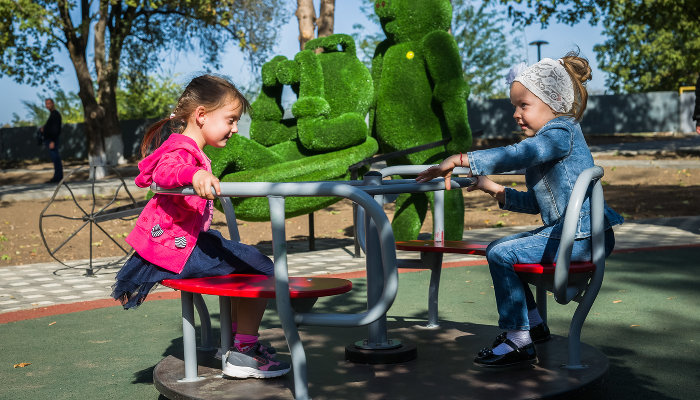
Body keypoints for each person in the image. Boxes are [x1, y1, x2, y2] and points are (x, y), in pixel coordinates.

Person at [416, 53, 624, 368]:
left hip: (580, 237)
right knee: (500, 248)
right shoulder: (555, 140)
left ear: (553, 104)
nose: (516, 114)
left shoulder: (559, 132)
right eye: (515, 106)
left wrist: (461, 159)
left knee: (502, 254)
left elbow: (519, 153)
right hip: (581, 233)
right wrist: (496, 190)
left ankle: (518, 339)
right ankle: (534, 324)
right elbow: (541, 202)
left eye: (523, 105)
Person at [111, 74, 290, 379]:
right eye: (231, 120)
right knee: (262, 268)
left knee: (244, 262)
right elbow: (168, 171)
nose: (235, 129)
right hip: (179, 249)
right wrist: (193, 176)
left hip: (180, 242)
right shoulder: (182, 152)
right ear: (202, 115)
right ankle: (243, 353)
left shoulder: (184, 147)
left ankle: (235, 345)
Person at [40, 98, 63, 183]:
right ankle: (57, 177)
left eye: (49, 103)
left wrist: (52, 141)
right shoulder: (52, 114)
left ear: (53, 104)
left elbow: (56, 129)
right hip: (50, 140)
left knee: (56, 159)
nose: (47, 105)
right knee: (55, 159)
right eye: (46, 104)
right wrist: (44, 128)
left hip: (52, 140)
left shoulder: (55, 114)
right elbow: (51, 127)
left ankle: (58, 178)